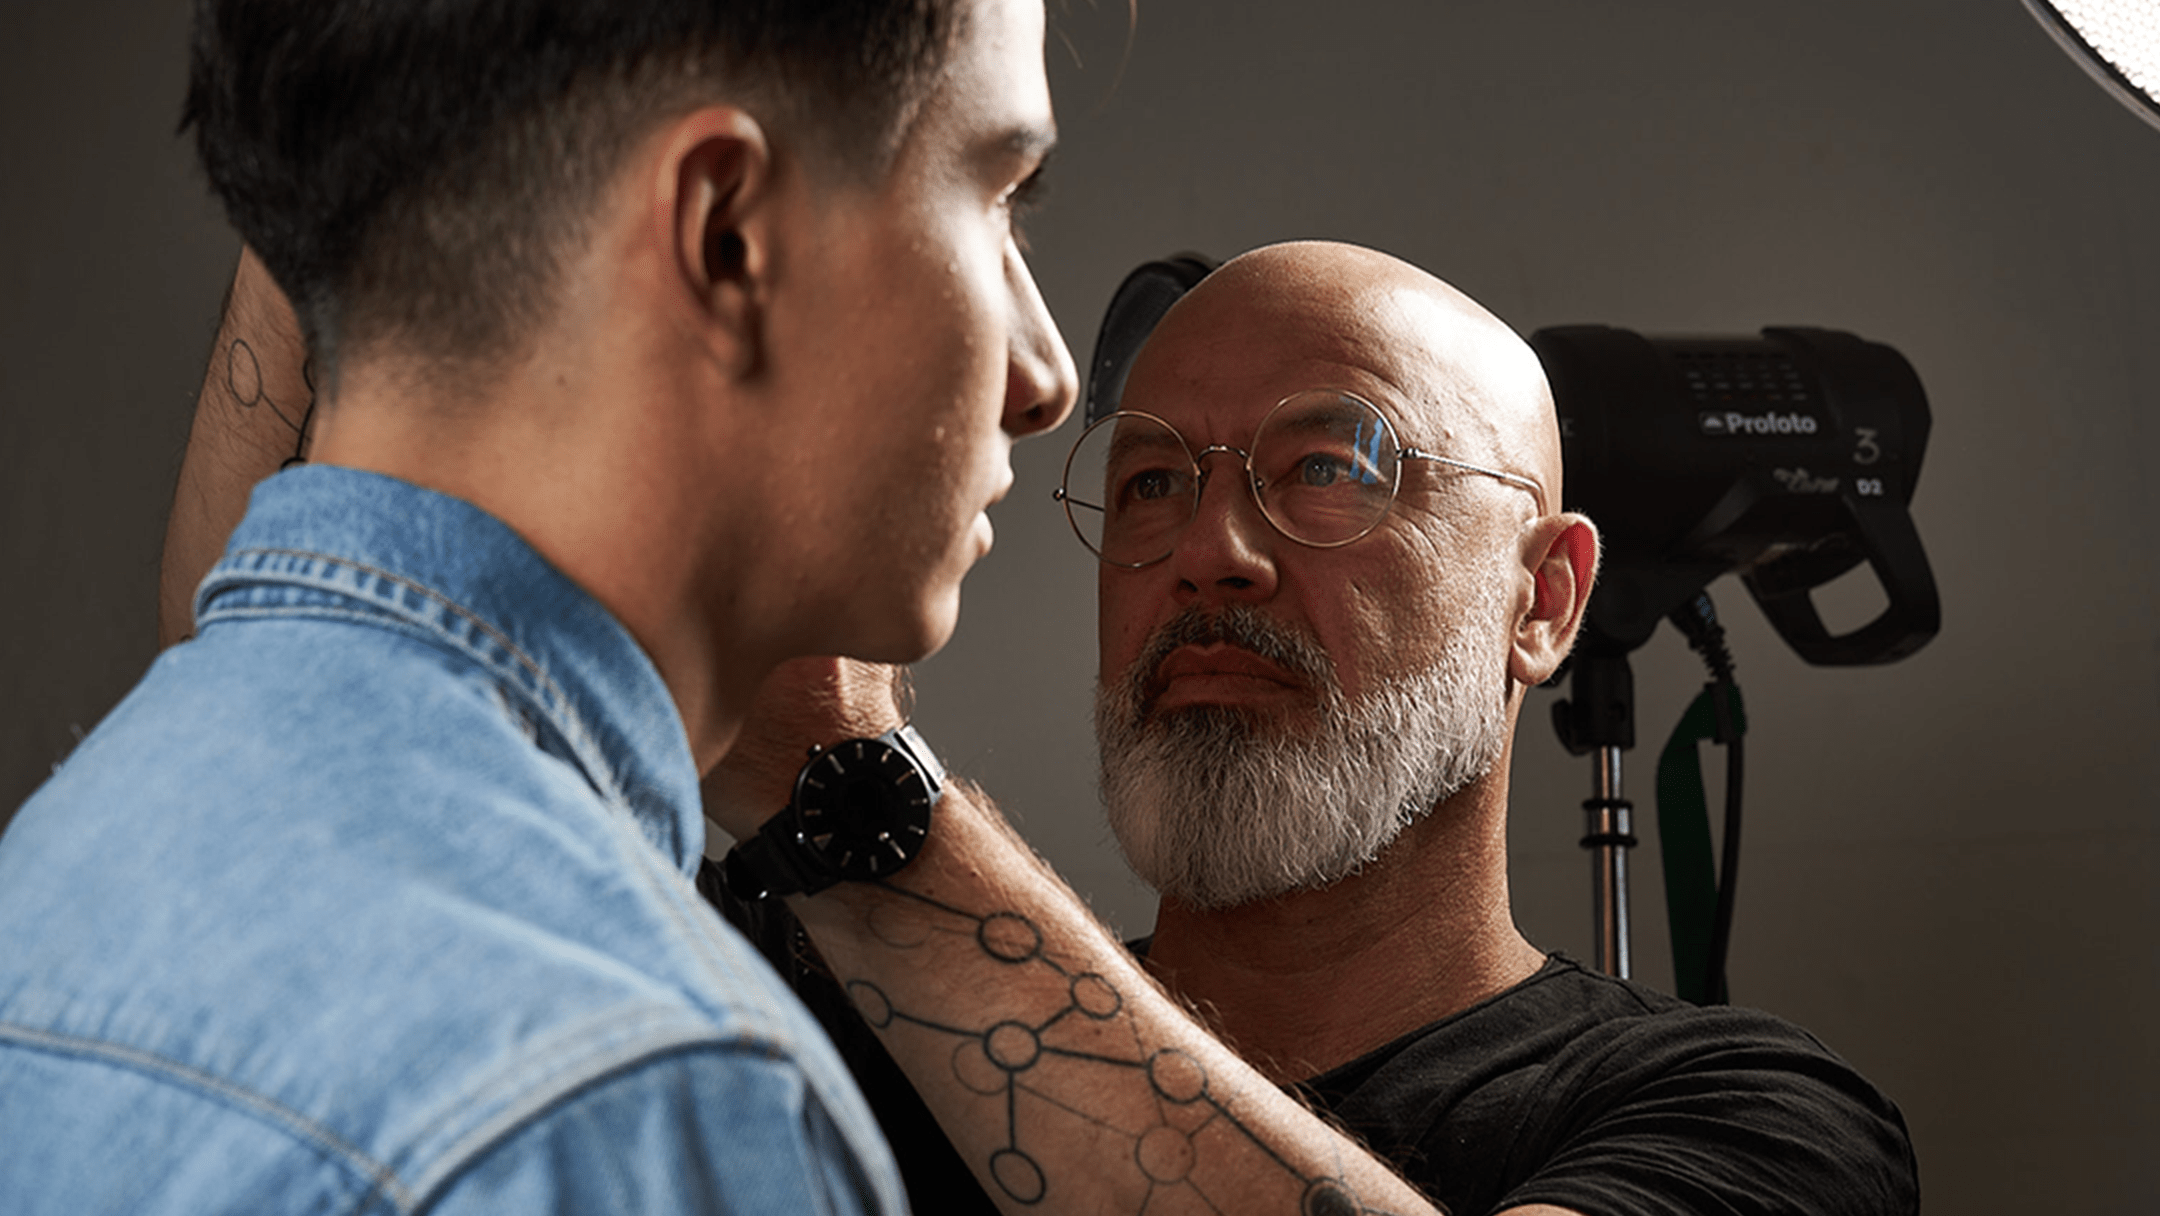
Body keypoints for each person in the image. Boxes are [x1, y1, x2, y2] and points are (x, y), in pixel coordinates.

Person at [0, 0, 1074, 1209]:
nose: (1046, 375)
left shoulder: (54, 875)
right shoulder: (643, 1099)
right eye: (997, 195)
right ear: (727, 236)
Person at [708, 241, 1919, 1215]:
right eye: (1152, 483)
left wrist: (855, 801)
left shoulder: (1757, 1120)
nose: (1208, 552)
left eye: (1332, 468)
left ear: (1542, 601)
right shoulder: (813, 1019)